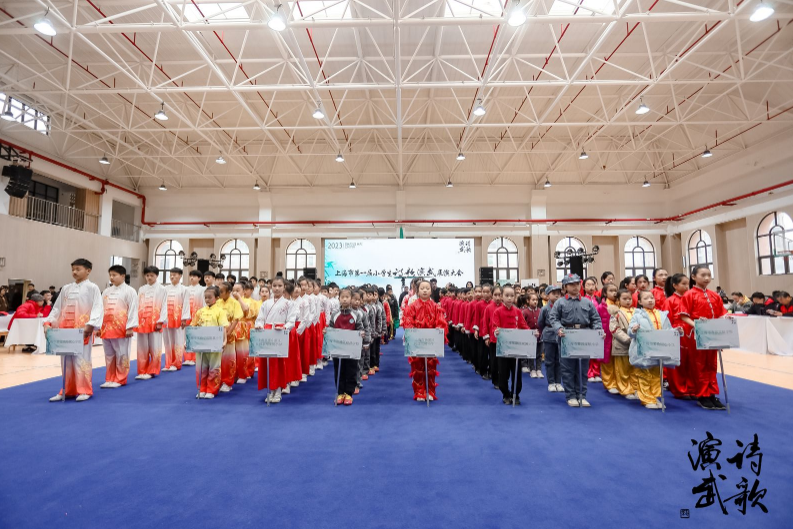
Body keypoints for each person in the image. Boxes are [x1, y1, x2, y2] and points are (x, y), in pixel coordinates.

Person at [44, 259, 103, 402]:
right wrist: (48, 322)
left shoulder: (92, 288)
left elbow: (97, 307)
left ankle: (84, 389)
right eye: (73, 269)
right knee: (66, 361)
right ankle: (67, 389)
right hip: (65, 330)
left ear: (88, 271)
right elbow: (57, 308)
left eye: (78, 269)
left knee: (81, 360)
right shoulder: (66, 288)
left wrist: (90, 325)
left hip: (82, 330)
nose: (74, 272)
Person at [678, 265, 729, 411]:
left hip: (712, 334)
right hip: (696, 335)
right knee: (699, 364)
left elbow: (722, 313)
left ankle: (711, 393)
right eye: (703, 275)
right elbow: (683, 316)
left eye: (709, 275)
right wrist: (697, 326)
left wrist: (726, 320)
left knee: (711, 364)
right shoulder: (689, 295)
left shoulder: (715, 295)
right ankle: (702, 395)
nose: (707, 278)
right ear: (693, 277)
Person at [548, 274, 603, 408]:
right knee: (567, 368)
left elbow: (595, 318)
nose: (575, 287)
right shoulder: (560, 303)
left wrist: (598, 330)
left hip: (584, 336)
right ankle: (571, 395)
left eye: (577, 284)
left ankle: (582, 395)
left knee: (583, 368)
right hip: (567, 336)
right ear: (565, 287)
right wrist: (558, 329)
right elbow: (553, 318)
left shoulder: (587, 302)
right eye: (571, 284)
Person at [628, 290, 678, 410]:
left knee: (657, 375)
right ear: (640, 302)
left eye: (651, 297)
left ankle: (655, 397)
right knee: (644, 374)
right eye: (646, 298)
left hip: (658, 349)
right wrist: (633, 330)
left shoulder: (662, 315)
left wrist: (676, 331)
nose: (650, 300)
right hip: (643, 350)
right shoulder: (637, 315)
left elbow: (668, 330)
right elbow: (630, 332)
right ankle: (647, 399)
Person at [401, 279, 447, 402]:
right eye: (422, 288)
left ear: (431, 290)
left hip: (431, 343)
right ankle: (419, 392)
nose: (425, 291)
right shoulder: (412, 307)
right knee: (417, 368)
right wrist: (413, 332)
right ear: (417, 290)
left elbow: (441, 322)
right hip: (417, 343)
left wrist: (438, 331)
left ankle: (430, 391)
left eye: (427, 288)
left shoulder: (436, 307)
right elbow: (408, 321)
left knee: (431, 369)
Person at [254, 277, 294, 403]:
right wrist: (259, 325)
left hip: (280, 333)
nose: (277, 288)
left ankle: (278, 389)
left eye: (279, 286)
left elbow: (291, 320)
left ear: (284, 287)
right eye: (274, 286)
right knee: (267, 363)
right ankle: (270, 389)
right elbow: (260, 318)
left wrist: (284, 327)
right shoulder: (266, 303)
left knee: (279, 363)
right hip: (267, 333)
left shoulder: (289, 304)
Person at [491, 285, 532, 405]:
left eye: (512, 296)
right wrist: (496, 332)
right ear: (502, 297)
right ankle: (505, 393)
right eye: (507, 295)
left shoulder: (517, 311)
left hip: (516, 348)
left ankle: (515, 394)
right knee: (503, 372)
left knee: (516, 372)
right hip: (503, 348)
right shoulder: (497, 312)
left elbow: (524, 326)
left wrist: (531, 333)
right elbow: (494, 326)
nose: (509, 298)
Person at [99, 265, 138, 388]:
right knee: (109, 355)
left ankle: (120, 378)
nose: (111, 277)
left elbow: (133, 309)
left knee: (122, 354)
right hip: (106, 327)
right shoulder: (106, 291)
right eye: (110, 275)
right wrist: (98, 327)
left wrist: (130, 327)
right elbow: (100, 309)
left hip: (121, 328)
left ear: (123, 276)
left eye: (114, 275)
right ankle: (110, 378)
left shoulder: (130, 291)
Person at [327, 288, 366, 405]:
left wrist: (361, 333)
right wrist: (327, 332)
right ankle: (340, 392)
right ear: (339, 299)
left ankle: (349, 393)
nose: (344, 299)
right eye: (342, 297)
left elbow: (360, 328)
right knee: (339, 370)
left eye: (347, 297)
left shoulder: (355, 314)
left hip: (351, 350)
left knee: (351, 370)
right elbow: (331, 328)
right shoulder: (335, 315)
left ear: (351, 299)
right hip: (337, 348)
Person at [190, 286, 229, 399]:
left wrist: (224, 341)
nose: (207, 299)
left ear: (216, 298)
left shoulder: (220, 311)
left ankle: (212, 389)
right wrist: (188, 341)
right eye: (205, 297)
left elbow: (223, 327)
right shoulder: (200, 311)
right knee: (201, 367)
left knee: (214, 367)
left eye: (209, 297)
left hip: (215, 344)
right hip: (201, 344)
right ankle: (202, 388)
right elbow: (193, 326)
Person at [664, 273, 693, 400]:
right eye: (683, 284)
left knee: (690, 362)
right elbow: (667, 319)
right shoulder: (670, 301)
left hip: (690, 332)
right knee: (677, 362)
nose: (687, 287)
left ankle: (691, 387)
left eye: (688, 284)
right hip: (677, 332)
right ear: (675, 285)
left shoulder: (690, 299)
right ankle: (679, 389)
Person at [135, 266, 168, 380]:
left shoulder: (162, 289)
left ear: (156, 276)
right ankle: (142, 370)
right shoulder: (141, 289)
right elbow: (137, 304)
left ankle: (152, 370)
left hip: (155, 321)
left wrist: (161, 321)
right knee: (142, 347)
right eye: (147, 275)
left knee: (155, 346)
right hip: (142, 321)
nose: (149, 277)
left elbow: (164, 305)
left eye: (152, 275)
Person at [609, 289, 639, 400]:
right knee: (622, 369)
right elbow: (614, 329)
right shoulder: (616, 313)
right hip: (622, 345)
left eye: (629, 299)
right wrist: (628, 339)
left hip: (635, 345)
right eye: (624, 299)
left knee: (635, 369)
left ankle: (635, 388)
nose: (628, 301)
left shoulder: (637, 312)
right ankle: (625, 389)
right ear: (618, 300)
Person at [215, 281, 243, 392]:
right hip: (217, 334)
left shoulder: (235, 303)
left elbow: (236, 319)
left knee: (229, 359)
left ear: (229, 292)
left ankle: (227, 382)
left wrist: (228, 333)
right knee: (218, 360)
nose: (220, 293)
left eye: (222, 291)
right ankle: (218, 380)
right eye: (219, 291)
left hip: (229, 334)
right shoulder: (217, 302)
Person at [163, 267, 191, 372]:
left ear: (180, 276)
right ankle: (168, 363)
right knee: (167, 341)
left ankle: (176, 363)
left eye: (174, 275)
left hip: (178, 319)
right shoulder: (165, 289)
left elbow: (186, 304)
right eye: (171, 274)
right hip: (167, 319)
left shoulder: (184, 289)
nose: (172, 276)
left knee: (178, 341)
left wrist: (184, 319)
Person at [538, 285, 562, 393]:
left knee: (559, 360)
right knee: (549, 360)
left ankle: (558, 382)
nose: (556, 296)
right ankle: (551, 382)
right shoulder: (544, 309)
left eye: (558, 293)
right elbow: (540, 322)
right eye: (554, 293)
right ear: (547, 296)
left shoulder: (562, 307)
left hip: (560, 335)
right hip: (548, 335)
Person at [596, 283, 618, 393]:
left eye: (615, 290)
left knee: (617, 361)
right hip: (606, 336)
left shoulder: (620, 305)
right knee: (606, 360)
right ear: (604, 293)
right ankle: (609, 383)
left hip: (617, 337)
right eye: (611, 291)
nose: (614, 293)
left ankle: (618, 382)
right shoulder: (601, 307)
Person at [231, 282, 254, 383]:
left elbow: (245, 310)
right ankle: (233, 374)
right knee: (232, 354)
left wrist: (239, 298)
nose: (235, 292)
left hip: (242, 328)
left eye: (238, 290)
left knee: (242, 353)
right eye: (233, 290)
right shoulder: (230, 301)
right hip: (231, 329)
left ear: (244, 291)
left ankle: (243, 374)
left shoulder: (247, 301)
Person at [184, 270, 206, 366]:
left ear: (199, 278)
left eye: (194, 276)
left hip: (197, 315)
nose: (192, 278)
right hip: (187, 315)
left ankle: (195, 357)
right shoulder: (186, 289)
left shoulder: (202, 289)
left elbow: (204, 303)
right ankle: (187, 357)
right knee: (187, 335)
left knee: (196, 335)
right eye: (190, 276)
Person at [482, 286, 503, 387]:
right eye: (495, 295)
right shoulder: (488, 308)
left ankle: (502, 380)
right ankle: (495, 381)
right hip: (493, 339)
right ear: (492, 295)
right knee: (494, 361)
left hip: (504, 340)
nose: (498, 297)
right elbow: (485, 323)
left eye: (500, 295)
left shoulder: (505, 307)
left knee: (502, 362)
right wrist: (486, 337)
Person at [583, 277, 602, 383]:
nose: (591, 287)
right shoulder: (582, 300)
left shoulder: (599, 299)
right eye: (588, 285)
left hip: (597, 327)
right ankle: (589, 373)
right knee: (588, 351)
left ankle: (596, 372)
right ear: (584, 287)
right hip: (587, 327)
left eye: (592, 284)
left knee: (596, 351)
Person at [520, 292, 543, 378]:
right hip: (530, 336)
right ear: (528, 301)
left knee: (539, 354)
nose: (535, 302)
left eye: (536, 300)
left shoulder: (540, 311)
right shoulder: (525, 312)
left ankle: (539, 369)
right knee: (531, 354)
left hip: (539, 336)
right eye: (533, 300)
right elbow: (523, 324)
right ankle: (532, 369)